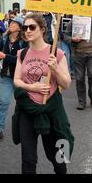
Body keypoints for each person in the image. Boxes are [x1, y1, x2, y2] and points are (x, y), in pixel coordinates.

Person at [13, 13, 73, 174]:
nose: (27, 31)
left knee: (57, 157)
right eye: (25, 27)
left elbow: (66, 84)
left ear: (42, 29)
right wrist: (33, 88)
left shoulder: (57, 54)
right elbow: (17, 81)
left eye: (32, 27)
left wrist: (55, 69)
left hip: (51, 112)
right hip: (28, 110)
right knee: (28, 159)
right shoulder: (22, 53)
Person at [0, 17, 27, 139]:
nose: (11, 24)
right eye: (11, 23)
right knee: (4, 102)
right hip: (6, 76)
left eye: (14, 23)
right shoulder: (5, 38)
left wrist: (4, 56)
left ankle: (24, 129)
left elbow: (23, 60)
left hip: (21, 77)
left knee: (22, 104)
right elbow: (0, 55)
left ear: (20, 27)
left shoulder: (24, 42)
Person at [64, 14, 92, 110]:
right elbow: (65, 35)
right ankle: (82, 101)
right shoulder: (74, 20)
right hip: (78, 54)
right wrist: (72, 39)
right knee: (79, 79)